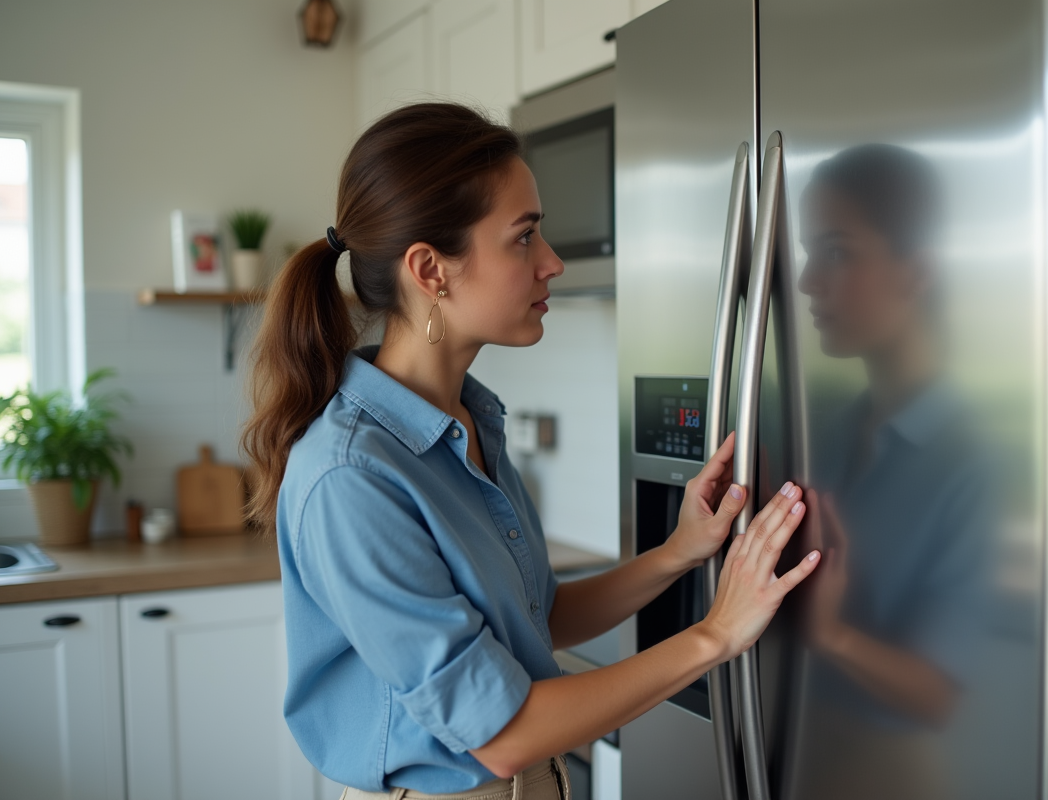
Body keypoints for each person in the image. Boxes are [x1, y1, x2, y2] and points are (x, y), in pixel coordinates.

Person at [241, 103, 820, 800]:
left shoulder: (465, 419)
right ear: (431, 270)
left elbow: (536, 615)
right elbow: (503, 731)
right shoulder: (352, 476)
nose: (552, 263)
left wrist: (681, 551)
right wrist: (716, 636)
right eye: (524, 238)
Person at [790, 144, 994, 800]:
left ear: (918, 272)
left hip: (888, 776)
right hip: (794, 751)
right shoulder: (830, 427)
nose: (806, 281)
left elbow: (939, 697)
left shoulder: (972, 459)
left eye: (838, 251)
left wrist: (830, 633)